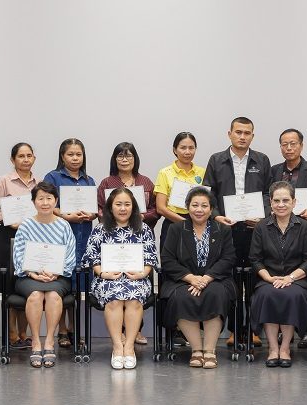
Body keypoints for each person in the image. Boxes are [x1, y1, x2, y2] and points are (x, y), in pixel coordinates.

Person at [203, 117, 271, 347]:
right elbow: (208, 195)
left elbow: (268, 194)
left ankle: (253, 330)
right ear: (229, 133)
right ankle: (233, 330)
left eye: (247, 133)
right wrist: (215, 216)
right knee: (230, 280)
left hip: (254, 230)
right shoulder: (216, 160)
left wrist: (262, 216)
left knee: (254, 279)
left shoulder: (262, 160)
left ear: (253, 136)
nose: (242, 137)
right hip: (226, 230)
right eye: (238, 132)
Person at [160, 188, 236, 369]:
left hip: (215, 278)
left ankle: (209, 350)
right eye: (195, 205)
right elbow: (167, 259)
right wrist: (191, 278)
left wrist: (207, 278)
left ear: (211, 209)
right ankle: (196, 350)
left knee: (215, 294)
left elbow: (228, 258)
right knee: (181, 297)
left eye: (204, 206)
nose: (199, 209)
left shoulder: (222, 229)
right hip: (183, 279)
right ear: (187, 207)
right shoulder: (176, 229)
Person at [82, 188, 158, 369]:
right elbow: (92, 258)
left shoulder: (144, 229)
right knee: (114, 299)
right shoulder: (100, 229)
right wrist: (103, 273)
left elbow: (150, 258)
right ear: (110, 207)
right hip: (107, 278)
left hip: (137, 278)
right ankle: (117, 347)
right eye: (118, 204)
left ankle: (129, 347)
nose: (123, 208)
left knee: (133, 299)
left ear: (133, 207)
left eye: (127, 204)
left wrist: (143, 273)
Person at [249, 182, 307, 367]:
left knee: (291, 295)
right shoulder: (261, 227)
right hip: (268, 279)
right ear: (270, 203)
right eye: (277, 201)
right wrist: (268, 278)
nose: (281, 204)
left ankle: (285, 348)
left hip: (297, 280)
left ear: (294, 202)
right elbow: (255, 259)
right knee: (267, 294)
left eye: (286, 200)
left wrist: (290, 278)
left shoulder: (305, 227)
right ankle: (273, 348)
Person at [270, 128, 307, 349]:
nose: (289, 148)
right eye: (285, 144)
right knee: (280, 280)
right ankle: (284, 330)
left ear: (301, 145)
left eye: (293, 143)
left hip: (306, 231)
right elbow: (268, 197)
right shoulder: (274, 171)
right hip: (279, 232)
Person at [12, 182, 76, 368]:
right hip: (28, 277)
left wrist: (56, 274)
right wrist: (33, 274)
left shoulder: (64, 226)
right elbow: (18, 256)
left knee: (53, 296)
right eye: (41, 198)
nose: (45, 202)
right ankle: (35, 341)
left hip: (58, 277)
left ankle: (49, 341)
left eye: (49, 198)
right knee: (36, 295)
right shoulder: (26, 226)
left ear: (56, 201)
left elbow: (70, 255)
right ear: (33, 202)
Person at [44, 138, 97, 349]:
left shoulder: (89, 180)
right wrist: (64, 215)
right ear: (62, 156)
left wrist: (92, 214)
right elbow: (47, 203)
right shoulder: (53, 177)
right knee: (64, 284)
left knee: (80, 286)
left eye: (79, 154)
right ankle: (62, 330)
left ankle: (75, 329)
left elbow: (94, 208)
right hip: (62, 237)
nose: (75, 158)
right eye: (70, 154)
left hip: (85, 237)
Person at [0, 142, 37, 350]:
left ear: (34, 158)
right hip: (8, 235)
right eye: (21, 156)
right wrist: (10, 220)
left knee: (26, 283)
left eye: (29, 156)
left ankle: (24, 333)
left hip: (32, 236)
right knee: (10, 285)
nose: (25, 159)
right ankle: (11, 333)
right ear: (13, 159)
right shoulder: (4, 181)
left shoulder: (39, 182)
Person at [154, 132, 206, 251]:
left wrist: (196, 223)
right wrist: (186, 223)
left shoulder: (203, 172)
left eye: (191, 148)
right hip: (173, 224)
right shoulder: (165, 173)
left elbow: (208, 201)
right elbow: (160, 208)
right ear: (175, 150)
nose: (187, 152)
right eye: (183, 148)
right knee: (170, 260)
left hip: (198, 224)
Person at [97, 142, 159, 228]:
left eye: (129, 156)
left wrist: (143, 216)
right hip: (113, 231)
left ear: (135, 159)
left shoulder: (146, 182)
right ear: (114, 159)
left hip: (140, 230)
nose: (124, 160)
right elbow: (100, 209)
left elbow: (156, 208)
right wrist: (116, 218)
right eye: (120, 156)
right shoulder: (106, 183)